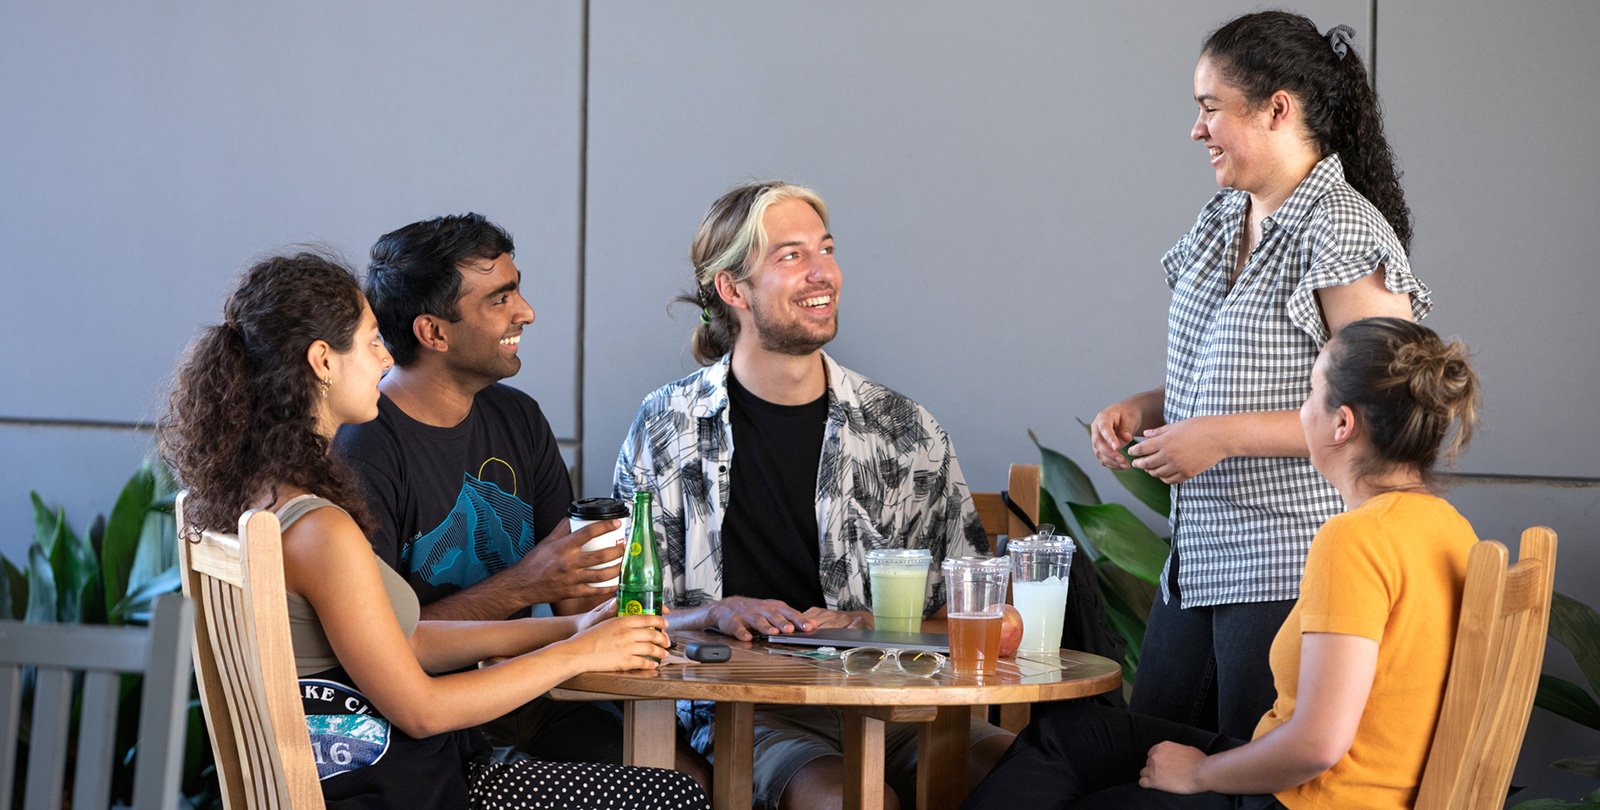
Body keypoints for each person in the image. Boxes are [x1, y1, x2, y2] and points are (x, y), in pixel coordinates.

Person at [161, 252, 708, 809]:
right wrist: (577, 656)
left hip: (380, 780)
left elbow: (406, 643)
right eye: (373, 341)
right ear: (323, 361)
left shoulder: (267, 501)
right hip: (406, 790)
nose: (384, 358)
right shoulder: (320, 529)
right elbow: (422, 711)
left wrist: (570, 629)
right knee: (673, 796)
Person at [966, 316, 1482, 809]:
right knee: (1072, 734)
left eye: (1308, 393)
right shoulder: (1450, 527)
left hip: (1307, 799)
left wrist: (1199, 773)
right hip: (1335, 788)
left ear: (1341, 424)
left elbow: (1318, 746)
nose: (1302, 410)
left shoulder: (1355, 538)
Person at [1088, 10, 1433, 739]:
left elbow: (1386, 411)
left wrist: (1224, 437)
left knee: (1237, 782)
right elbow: (1228, 367)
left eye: (1211, 108)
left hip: (1289, 563)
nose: (1196, 128)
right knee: (1149, 763)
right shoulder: (1222, 218)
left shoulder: (1340, 228)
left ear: (1279, 108)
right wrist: (1151, 407)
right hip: (1203, 559)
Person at [613, 180, 1012, 810]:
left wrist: (866, 624)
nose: (823, 271)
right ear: (733, 289)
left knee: (1030, 775)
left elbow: (975, 621)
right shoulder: (667, 427)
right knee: (850, 798)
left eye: (825, 249)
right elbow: (624, 616)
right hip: (746, 711)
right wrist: (713, 614)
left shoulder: (905, 429)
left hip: (898, 702)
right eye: (790, 255)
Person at [332, 213, 662, 771]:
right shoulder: (364, 450)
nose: (526, 312)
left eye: (517, 290)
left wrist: (698, 617)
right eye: (499, 299)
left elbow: (578, 597)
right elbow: (385, 644)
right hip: (423, 734)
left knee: (679, 776)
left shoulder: (518, 416)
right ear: (433, 332)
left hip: (533, 699)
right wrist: (523, 585)